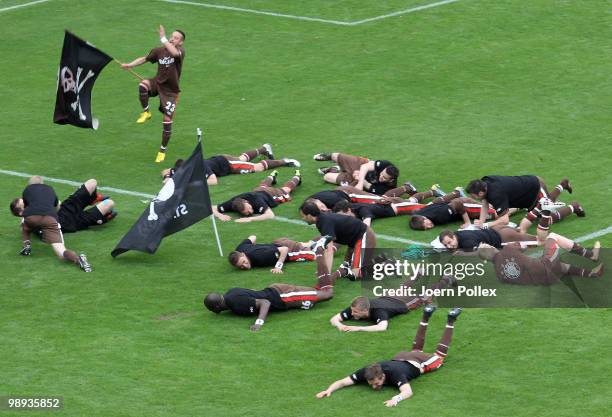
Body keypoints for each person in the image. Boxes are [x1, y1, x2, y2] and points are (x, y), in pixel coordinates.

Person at [316, 306, 462, 407]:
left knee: (439, 357)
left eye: (376, 383)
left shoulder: (395, 375)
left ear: (383, 377)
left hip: (417, 362)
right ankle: (425, 315)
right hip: (402, 356)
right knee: (416, 349)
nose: (374, 386)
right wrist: (329, 390)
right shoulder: (366, 372)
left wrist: (396, 399)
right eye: (371, 383)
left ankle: (450, 320)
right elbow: (342, 382)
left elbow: (408, 391)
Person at [204, 237, 348, 331]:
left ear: (217, 307)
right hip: (280, 293)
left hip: (283, 296)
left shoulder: (234, 303)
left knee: (327, 294)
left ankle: (321, 250)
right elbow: (252, 291)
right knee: (316, 292)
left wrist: (258, 323)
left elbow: (265, 302)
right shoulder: (231, 293)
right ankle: (342, 261)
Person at [121, 25, 186, 163]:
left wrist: (163, 38)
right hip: (158, 83)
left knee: (167, 121)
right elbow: (144, 58)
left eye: (176, 38)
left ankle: (162, 150)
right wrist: (130, 65)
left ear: (181, 42)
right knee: (143, 85)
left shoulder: (180, 52)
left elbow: (173, 53)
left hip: (170, 92)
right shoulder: (159, 51)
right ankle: (146, 112)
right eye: (172, 36)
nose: (173, 39)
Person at [477, 215, 603, 284]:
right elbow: (528, 244)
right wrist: (543, 242)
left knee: (557, 265)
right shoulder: (508, 249)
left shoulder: (500, 275)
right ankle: (591, 255)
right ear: (492, 248)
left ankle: (592, 274)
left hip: (545, 281)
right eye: (489, 246)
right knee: (552, 237)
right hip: (547, 269)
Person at [8, 176, 92, 272]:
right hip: (50, 219)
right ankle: (78, 259)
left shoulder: (27, 191)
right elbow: (58, 207)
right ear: (42, 183)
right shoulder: (50, 189)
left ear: (30, 184)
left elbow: (27, 209)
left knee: (25, 225)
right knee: (61, 252)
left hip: (32, 218)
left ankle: (27, 246)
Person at [329, 275, 456, 332]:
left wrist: (358, 328)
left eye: (355, 312)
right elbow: (334, 318)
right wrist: (339, 326)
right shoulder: (357, 305)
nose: (352, 314)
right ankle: (418, 274)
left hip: (403, 303)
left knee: (424, 296)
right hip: (389, 296)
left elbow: (382, 327)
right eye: (352, 311)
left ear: (365, 311)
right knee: (403, 287)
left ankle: (446, 279)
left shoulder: (379, 311)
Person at [466, 175, 584, 233]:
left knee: (546, 218)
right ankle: (563, 184)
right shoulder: (485, 182)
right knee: (546, 206)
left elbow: (505, 220)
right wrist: (481, 221)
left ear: (481, 192)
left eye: (473, 196)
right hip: (528, 190)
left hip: (535, 189)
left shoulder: (496, 194)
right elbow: (485, 203)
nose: (472, 198)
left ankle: (574, 206)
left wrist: (486, 225)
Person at [300, 201, 376, 279]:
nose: (302, 219)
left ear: (309, 215)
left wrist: (326, 274)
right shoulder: (321, 220)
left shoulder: (325, 222)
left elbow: (329, 251)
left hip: (363, 237)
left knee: (355, 274)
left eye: (303, 216)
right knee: (346, 268)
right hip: (353, 241)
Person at [11, 179, 117, 234]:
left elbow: (58, 204)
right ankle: (99, 220)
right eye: (23, 204)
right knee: (110, 203)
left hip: (68, 207)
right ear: (21, 212)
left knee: (92, 182)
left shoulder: (35, 204)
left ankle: (92, 199)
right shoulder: (30, 221)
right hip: (74, 222)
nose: (26, 202)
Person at [161, 144, 300, 185]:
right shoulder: (182, 169)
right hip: (220, 159)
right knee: (242, 158)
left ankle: (284, 161)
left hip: (227, 165)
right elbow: (165, 171)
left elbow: (213, 181)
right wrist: (167, 177)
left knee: (256, 168)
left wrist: (189, 183)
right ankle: (264, 149)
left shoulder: (200, 168)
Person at [212, 170, 301, 223]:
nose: (250, 211)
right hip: (258, 191)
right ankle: (272, 176)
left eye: (249, 208)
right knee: (262, 186)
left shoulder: (257, 201)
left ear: (246, 202)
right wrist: (220, 215)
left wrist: (250, 219)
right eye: (246, 213)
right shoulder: (233, 203)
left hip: (271, 194)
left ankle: (297, 176)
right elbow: (212, 208)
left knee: (286, 190)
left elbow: (270, 215)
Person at [408, 187, 497, 231]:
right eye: (425, 228)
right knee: (491, 205)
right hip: (457, 202)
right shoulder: (419, 214)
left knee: (497, 213)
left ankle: (509, 205)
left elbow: (458, 204)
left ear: (424, 218)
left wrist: (467, 222)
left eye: (426, 224)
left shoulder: (440, 215)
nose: (428, 227)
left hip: (465, 207)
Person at [313, 152, 401, 195]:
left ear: (391, 179)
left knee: (327, 177)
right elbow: (365, 167)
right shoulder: (385, 164)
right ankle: (328, 157)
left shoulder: (388, 189)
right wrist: (360, 182)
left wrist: (359, 179)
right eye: (382, 173)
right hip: (361, 166)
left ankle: (334, 169)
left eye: (384, 178)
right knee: (336, 155)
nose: (381, 177)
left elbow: (368, 186)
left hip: (357, 179)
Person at [228, 235, 316, 273]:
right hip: (277, 242)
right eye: (241, 266)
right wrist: (257, 246)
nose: (245, 266)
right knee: (307, 244)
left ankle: (318, 243)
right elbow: (253, 237)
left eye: (243, 262)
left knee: (314, 252)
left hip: (286, 247)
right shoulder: (239, 249)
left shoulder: (260, 257)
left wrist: (278, 266)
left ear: (243, 254)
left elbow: (284, 250)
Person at [438, 227, 537, 251]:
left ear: (454, 237)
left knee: (537, 241)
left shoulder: (467, 243)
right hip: (497, 230)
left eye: (449, 242)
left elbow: (483, 252)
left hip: (503, 238)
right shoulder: (456, 233)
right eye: (446, 245)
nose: (449, 246)